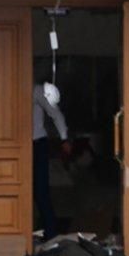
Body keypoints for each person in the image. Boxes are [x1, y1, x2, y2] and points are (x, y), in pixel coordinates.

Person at [32, 80, 72, 242]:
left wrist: (64, 139)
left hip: (36, 144)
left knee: (40, 191)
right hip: (26, 144)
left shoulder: (37, 91)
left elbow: (55, 114)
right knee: (33, 190)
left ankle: (50, 233)